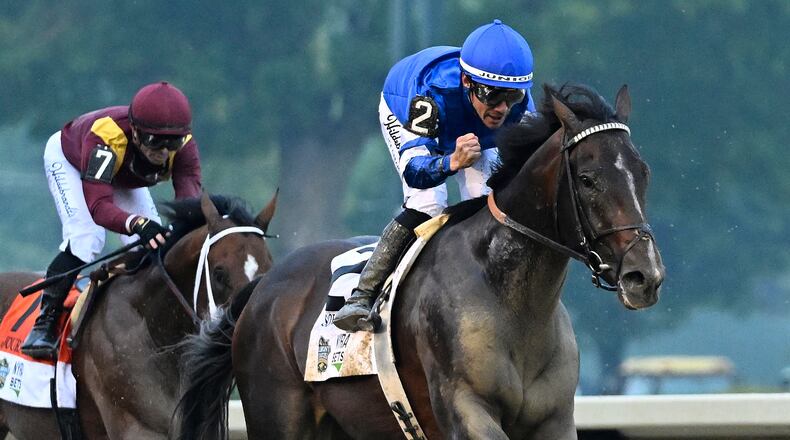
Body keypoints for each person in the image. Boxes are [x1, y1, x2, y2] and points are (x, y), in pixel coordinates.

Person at [333, 19, 536, 332]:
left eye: (513, 97)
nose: (502, 109)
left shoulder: (522, 109)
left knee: (487, 204)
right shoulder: (431, 95)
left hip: (470, 127)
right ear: (468, 82)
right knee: (428, 202)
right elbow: (416, 173)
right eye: (493, 95)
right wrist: (451, 162)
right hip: (406, 107)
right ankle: (362, 295)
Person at [21, 81, 202, 359]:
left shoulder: (185, 145)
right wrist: (136, 224)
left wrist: (179, 229)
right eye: (155, 141)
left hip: (120, 175)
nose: (165, 152)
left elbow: (188, 202)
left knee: (150, 247)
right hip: (72, 160)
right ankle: (45, 323)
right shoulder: (107, 137)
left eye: (173, 143)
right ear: (136, 133)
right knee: (87, 239)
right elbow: (99, 206)